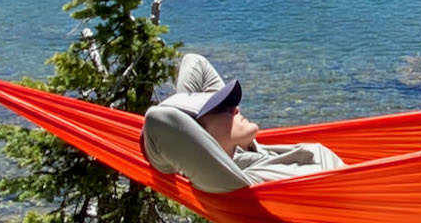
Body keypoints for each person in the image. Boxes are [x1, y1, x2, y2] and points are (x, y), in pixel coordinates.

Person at [140, 53, 345, 194]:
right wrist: (173, 161)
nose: (236, 108)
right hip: (366, 200)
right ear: (200, 137)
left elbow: (196, 62)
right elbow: (159, 121)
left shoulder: (247, 152)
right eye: (223, 109)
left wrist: (186, 101)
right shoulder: (231, 181)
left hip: (368, 187)